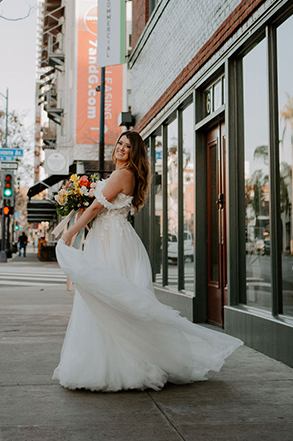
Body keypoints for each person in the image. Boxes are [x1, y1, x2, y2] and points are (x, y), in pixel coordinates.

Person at [53, 131, 243, 392]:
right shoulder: (126, 174)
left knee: (109, 298)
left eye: (127, 146)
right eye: (120, 143)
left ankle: (120, 365)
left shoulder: (122, 175)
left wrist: (70, 232)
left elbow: (97, 208)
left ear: (135, 152)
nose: (121, 148)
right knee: (113, 299)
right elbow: (100, 207)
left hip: (112, 244)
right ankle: (117, 360)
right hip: (114, 238)